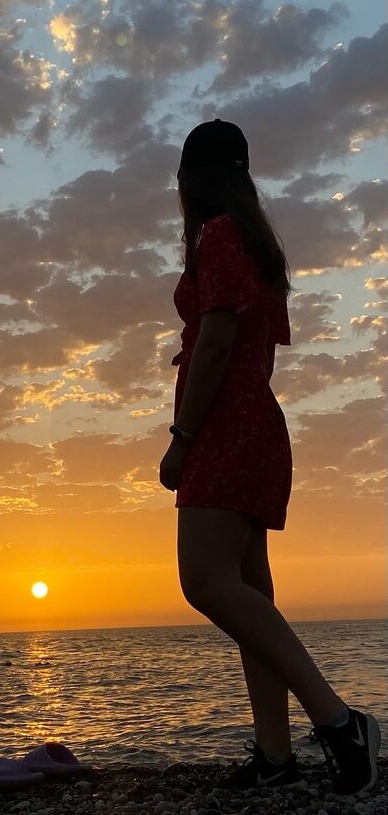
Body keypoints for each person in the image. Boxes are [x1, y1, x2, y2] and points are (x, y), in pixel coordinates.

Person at [159, 119, 380, 797]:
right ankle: (276, 756)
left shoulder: (220, 237)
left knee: (206, 582)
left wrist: (183, 436)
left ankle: (339, 721)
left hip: (227, 429)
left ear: (191, 179)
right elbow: (253, 350)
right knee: (249, 595)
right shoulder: (255, 243)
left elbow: (218, 342)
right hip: (255, 425)